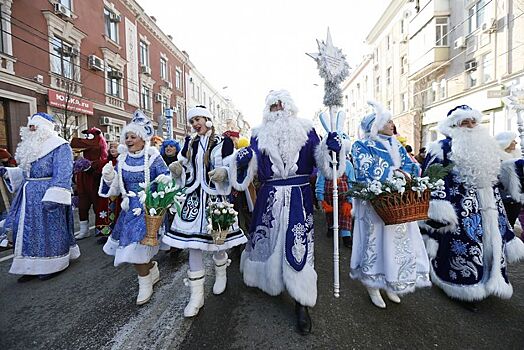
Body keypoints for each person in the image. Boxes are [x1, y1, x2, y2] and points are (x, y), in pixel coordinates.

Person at [230, 90, 346, 335]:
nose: (278, 109)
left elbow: (325, 164)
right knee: (268, 241)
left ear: (291, 107)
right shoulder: (258, 134)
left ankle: (301, 301)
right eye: (273, 105)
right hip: (269, 196)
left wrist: (332, 149)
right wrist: (240, 162)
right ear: (267, 109)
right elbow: (249, 167)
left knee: (299, 245)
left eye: (281, 104)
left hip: (298, 197)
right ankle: (266, 278)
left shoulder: (306, 130)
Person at [420, 105, 524, 311]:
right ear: (453, 126)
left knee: (492, 246)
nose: (470, 126)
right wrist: (440, 209)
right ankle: (460, 288)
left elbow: (498, 175)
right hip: (461, 212)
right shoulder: (441, 148)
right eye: (464, 122)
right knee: (465, 249)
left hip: (491, 209)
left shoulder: (487, 146)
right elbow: (433, 179)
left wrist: (516, 168)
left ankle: (487, 282)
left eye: (473, 121)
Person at [163, 105, 247, 317]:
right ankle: (196, 296)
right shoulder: (189, 142)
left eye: (198, 119)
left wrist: (225, 172)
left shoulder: (224, 142)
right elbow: (183, 164)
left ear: (208, 120)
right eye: (192, 122)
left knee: (219, 241)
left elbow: (234, 166)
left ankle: (221, 274)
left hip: (215, 198)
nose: (195, 124)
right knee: (193, 245)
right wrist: (177, 169)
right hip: (193, 199)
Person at [350, 101, 431, 309]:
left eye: (392, 121)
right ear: (375, 125)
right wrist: (392, 176)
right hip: (376, 205)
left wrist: (407, 177)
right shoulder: (362, 145)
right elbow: (364, 171)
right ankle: (372, 284)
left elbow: (412, 165)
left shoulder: (397, 144)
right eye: (387, 121)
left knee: (397, 245)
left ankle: (390, 282)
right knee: (375, 242)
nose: (392, 124)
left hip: (398, 203)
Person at [99, 110, 170, 305]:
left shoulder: (153, 157)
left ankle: (145, 282)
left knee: (138, 249)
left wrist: (164, 180)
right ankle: (149, 273)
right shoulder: (122, 159)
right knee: (133, 249)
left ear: (143, 138)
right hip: (129, 209)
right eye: (126, 136)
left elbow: (166, 177)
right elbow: (114, 189)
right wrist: (108, 177)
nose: (129, 140)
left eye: (133, 136)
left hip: (149, 208)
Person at [1, 112, 80, 282]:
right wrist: (10, 173)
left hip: (48, 195)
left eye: (34, 126)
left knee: (48, 230)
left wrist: (55, 195)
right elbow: (27, 173)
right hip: (27, 196)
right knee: (26, 232)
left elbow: (64, 172)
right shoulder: (30, 147)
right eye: (29, 127)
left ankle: (52, 264)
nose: (31, 130)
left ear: (45, 128)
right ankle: (30, 266)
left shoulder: (60, 146)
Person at [70, 128, 108, 239]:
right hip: (83, 179)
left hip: (96, 178)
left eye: (89, 136)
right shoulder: (85, 149)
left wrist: (92, 167)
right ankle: (84, 230)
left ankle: (101, 229)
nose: (85, 139)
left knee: (98, 205)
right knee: (82, 205)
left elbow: (80, 142)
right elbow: (75, 143)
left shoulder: (100, 151)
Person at [316, 142, 355, 248]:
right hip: (329, 198)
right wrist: (321, 199)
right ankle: (331, 227)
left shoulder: (348, 165)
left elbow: (351, 182)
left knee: (345, 215)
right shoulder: (324, 166)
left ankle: (346, 237)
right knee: (330, 215)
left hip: (344, 196)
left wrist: (350, 200)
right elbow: (320, 182)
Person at [96, 141, 121, 245]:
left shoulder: (123, 161)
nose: (113, 149)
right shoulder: (105, 162)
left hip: (119, 194)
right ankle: (106, 234)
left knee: (117, 213)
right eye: (111, 147)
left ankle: (117, 234)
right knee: (105, 213)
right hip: (107, 194)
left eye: (115, 147)